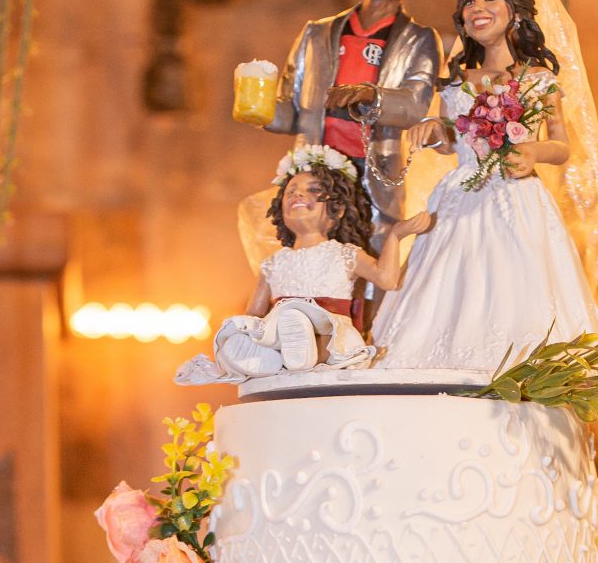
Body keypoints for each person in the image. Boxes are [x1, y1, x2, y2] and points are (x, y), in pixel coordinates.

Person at [370, 0, 598, 381]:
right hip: (460, 197)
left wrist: (533, 151)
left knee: (515, 291)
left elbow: (561, 145)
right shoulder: (457, 80)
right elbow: (451, 142)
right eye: (468, 1)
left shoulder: (537, 80)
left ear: (514, 10)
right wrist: (436, 132)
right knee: (448, 291)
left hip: (517, 201)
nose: (477, 8)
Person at [180, 147, 431, 385]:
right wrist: (245, 333)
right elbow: (254, 315)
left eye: (312, 190)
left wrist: (396, 235)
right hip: (280, 332)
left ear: (338, 208)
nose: (298, 195)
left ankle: (295, 350)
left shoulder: (344, 254)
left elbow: (387, 279)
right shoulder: (274, 262)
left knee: (300, 322)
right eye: (291, 191)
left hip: (327, 335)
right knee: (245, 334)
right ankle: (270, 359)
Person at [258, 0, 442, 242]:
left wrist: (371, 96)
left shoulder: (419, 40)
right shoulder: (317, 33)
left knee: (368, 277)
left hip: (373, 184)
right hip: (313, 179)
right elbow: (293, 112)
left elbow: (415, 106)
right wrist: (258, 109)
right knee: (310, 273)